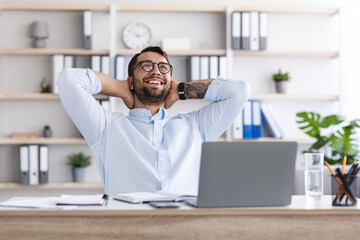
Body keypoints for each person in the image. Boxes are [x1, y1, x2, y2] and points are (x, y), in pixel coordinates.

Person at [58, 46, 250, 196]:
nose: (156, 71)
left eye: (163, 67)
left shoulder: (196, 126)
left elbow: (239, 91)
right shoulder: (105, 127)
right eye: (146, 66)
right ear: (131, 81)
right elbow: (68, 79)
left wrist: (182, 90)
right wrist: (120, 88)